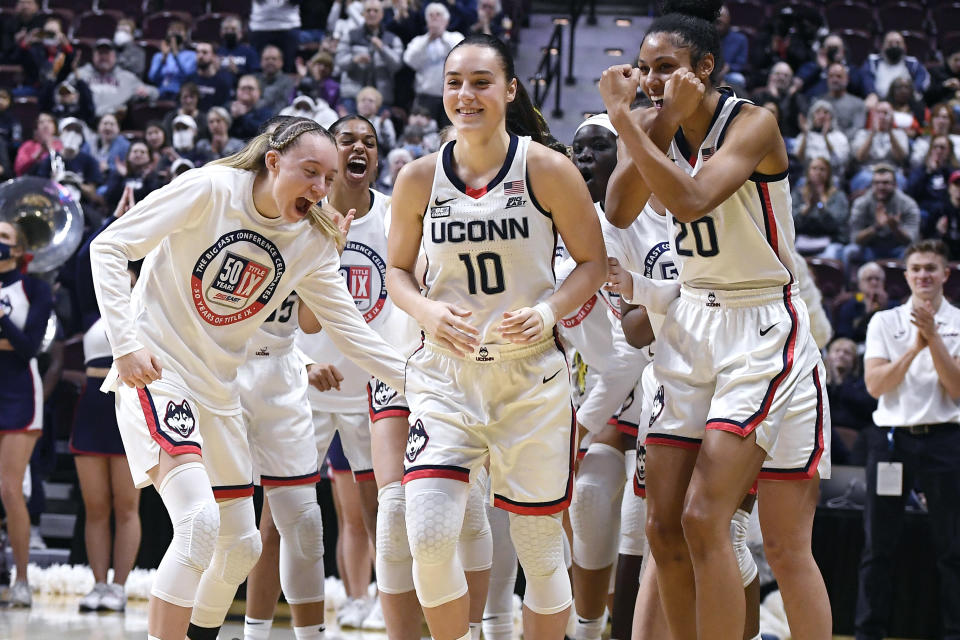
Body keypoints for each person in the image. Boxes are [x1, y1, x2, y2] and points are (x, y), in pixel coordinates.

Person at [89, 117, 409, 640]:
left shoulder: (311, 238)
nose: (320, 189)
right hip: (160, 371)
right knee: (197, 524)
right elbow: (107, 248)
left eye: (328, 180)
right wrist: (124, 344)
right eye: (310, 172)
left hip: (221, 391)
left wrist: (423, 383)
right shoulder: (209, 188)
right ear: (273, 161)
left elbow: (352, 332)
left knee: (241, 544)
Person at [598, 1, 831, 638]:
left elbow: (695, 200)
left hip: (760, 324)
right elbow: (619, 209)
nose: (649, 81)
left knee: (711, 520)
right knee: (661, 526)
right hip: (692, 321)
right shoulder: (650, 119)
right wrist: (648, 122)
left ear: (705, 67)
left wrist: (627, 120)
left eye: (666, 68)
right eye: (644, 68)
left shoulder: (754, 123)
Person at [386, 32, 606, 640]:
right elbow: (397, 273)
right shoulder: (418, 178)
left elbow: (592, 264)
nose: (466, 94)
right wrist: (426, 313)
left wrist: (549, 311)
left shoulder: (548, 168)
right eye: (455, 82)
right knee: (427, 534)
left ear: (509, 90)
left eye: (481, 82)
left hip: (529, 377)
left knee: (539, 551)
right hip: (445, 375)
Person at [859, 239, 960, 640]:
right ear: (906, 275)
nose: (923, 275)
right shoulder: (884, 322)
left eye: (931, 268)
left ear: (946, 274)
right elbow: (875, 385)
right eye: (916, 268)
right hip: (892, 442)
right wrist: (915, 347)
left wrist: (932, 338)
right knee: (877, 549)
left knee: (953, 549)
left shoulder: (959, 321)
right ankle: (869, 633)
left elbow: (956, 389)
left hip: (946, 441)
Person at [72, 188, 142, 613]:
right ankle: (98, 584)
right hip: (92, 406)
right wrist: (111, 222)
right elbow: (85, 261)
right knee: (95, 506)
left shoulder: (148, 301)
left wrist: (132, 228)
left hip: (130, 402)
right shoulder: (94, 305)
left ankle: (119, 586)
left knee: (126, 504)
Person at [0, 220, 54, 607]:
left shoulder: (35, 287)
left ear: (18, 249)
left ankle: (21, 579)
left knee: (9, 488)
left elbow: (30, 346)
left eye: (3, 237)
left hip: (20, 391)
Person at [334, 0, 404, 114]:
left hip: (380, 97)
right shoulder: (350, 35)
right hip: (352, 96)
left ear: (382, 14)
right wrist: (354, 60)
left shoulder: (392, 39)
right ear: (363, 14)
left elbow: (397, 65)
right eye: (368, 10)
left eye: (376, 11)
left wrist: (383, 48)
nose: (372, 13)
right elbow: (338, 62)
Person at [844, 164, 921, 267]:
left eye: (885, 183)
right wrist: (876, 227)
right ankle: (848, 283)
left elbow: (911, 240)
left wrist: (895, 228)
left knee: (913, 253)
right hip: (870, 248)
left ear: (895, 185)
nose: (880, 187)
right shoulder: (861, 203)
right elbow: (855, 238)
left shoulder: (908, 204)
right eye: (877, 183)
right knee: (849, 251)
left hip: (897, 249)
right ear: (872, 185)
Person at [403, 3, 466, 126]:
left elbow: (462, 57)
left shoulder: (455, 37)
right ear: (427, 20)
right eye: (431, 15)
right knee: (422, 134)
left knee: (450, 134)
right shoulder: (419, 41)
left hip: (452, 96)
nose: (435, 17)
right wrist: (428, 40)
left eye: (438, 14)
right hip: (425, 97)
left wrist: (442, 36)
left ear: (446, 20)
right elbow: (409, 61)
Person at [72, 39, 157, 120]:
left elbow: (155, 92)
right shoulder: (81, 73)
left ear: (114, 56)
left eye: (107, 53)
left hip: (116, 122)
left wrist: (147, 91)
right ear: (93, 55)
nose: (103, 57)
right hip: (84, 120)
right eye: (100, 53)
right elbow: (62, 90)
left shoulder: (126, 77)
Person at [824, 336, 875, 465]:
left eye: (847, 352)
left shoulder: (861, 383)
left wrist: (841, 382)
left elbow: (865, 407)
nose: (841, 355)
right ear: (828, 356)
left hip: (857, 432)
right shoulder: (819, 382)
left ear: (854, 361)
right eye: (837, 351)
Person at [791, 156, 849, 261]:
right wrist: (807, 208)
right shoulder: (798, 194)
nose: (818, 172)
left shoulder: (837, 195)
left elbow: (836, 224)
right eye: (814, 168)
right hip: (802, 239)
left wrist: (820, 206)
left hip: (830, 240)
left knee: (831, 256)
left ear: (828, 173)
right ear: (808, 172)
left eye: (822, 169)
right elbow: (790, 223)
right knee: (790, 257)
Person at [861, 31, 929, 107]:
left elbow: (923, 77)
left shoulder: (913, 63)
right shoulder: (873, 61)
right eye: (890, 43)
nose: (894, 46)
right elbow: (866, 78)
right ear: (882, 46)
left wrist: (915, 91)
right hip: (879, 102)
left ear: (905, 47)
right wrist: (871, 93)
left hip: (906, 102)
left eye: (898, 43)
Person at [833, 262, 896, 344]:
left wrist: (884, 308)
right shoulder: (849, 306)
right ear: (860, 284)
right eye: (869, 279)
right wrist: (868, 314)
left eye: (877, 279)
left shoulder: (894, 306)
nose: (874, 282)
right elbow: (844, 338)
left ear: (883, 283)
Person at [793, 100, 850, 174]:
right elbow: (799, 160)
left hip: (832, 177)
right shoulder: (803, 136)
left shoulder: (840, 137)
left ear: (832, 117)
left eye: (826, 112)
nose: (822, 116)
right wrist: (805, 135)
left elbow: (839, 162)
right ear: (812, 117)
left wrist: (825, 137)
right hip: (807, 178)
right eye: (818, 112)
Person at [148, 21, 197, 100]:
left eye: (179, 30)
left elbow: (188, 75)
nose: (175, 33)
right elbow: (152, 78)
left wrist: (176, 55)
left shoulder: (191, 55)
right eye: (172, 31)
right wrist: (163, 58)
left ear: (185, 36)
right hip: (160, 92)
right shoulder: (158, 56)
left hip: (181, 93)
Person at [821, 62, 867, 142]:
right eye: (831, 76)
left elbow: (857, 128)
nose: (835, 80)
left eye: (839, 76)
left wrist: (838, 141)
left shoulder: (858, 103)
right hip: (822, 144)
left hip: (848, 145)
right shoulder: (819, 102)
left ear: (847, 79)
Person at [910, 103, 960, 171]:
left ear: (951, 121)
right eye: (937, 117)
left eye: (945, 117)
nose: (941, 121)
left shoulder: (957, 141)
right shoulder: (923, 141)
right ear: (931, 120)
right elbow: (914, 163)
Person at [187, 42, 233, 112]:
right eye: (198, 52)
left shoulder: (222, 83)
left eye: (205, 52)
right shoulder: (189, 80)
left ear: (213, 56)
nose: (200, 56)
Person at [13, 111, 60, 176]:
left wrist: (51, 150)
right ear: (36, 128)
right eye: (41, 122)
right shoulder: (28, 146)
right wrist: (39, 152)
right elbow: (19, 170)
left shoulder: (61, 145)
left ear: (55, 127)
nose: (45, 125)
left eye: (49, 121)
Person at [927, 170, 960, 259]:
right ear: (949, 188)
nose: (959, 189)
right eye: (956, 185)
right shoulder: (939, 209)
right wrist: (939, 233)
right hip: (944, 252)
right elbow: (926, 237)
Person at [256, 46, 297, 117]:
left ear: (281, 62)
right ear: (261, 62)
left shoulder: (288, 82)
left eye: (274, 59)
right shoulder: (255, 79)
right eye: (266, 59)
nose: (270, 61)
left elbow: (285, 106)